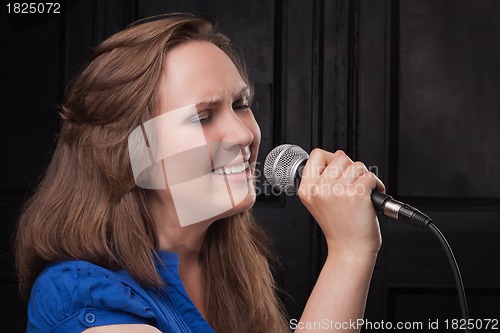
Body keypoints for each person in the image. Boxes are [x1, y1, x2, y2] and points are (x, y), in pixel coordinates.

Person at [15, 13, 384, 333]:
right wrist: (349, 253)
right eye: (203, 116)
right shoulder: (81, 296)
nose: (243, 134)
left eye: (240, 104)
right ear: (130, 152)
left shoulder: (233, 264)